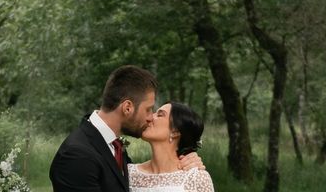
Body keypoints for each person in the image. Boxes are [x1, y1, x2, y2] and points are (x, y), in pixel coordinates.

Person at [49, 65, 204, 192]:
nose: (150, 117)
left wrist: (190, 161)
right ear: (127, 107)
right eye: (148, 109)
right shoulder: (77, 155)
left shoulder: (114, 147)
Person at [128, 102, 214, 192]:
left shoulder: (197, 178)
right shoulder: (129, 173)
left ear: (175, 132)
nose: (150, 117)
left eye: (160, 115)